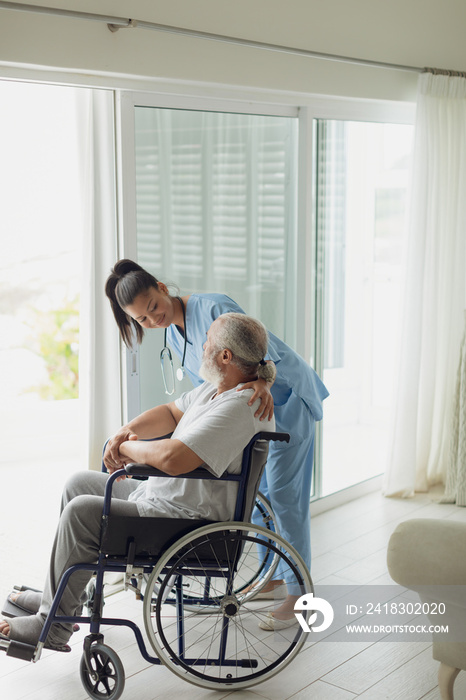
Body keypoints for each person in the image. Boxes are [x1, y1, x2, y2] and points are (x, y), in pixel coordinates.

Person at [0, 313, 276, 651]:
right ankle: (65, 599)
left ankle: (51, 625)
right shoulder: (216, 390)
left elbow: (174, 459)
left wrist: (127, 447)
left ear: (225, 356)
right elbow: (172, 412)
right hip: (162, 499)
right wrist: (123, 432)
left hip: (185, 521)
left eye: (208, 341)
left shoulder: (240, 405)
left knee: (82, 511)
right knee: (79, 484)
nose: (202, 345)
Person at [104, 259, 329, 628]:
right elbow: (206, 390)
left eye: (153, 307)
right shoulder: (175, 334)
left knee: (287, 502)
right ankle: (271, 576)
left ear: (162, 287)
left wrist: (262, 381)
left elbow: (254, 346)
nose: (153, 319)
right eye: (142, 320)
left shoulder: (212, 308)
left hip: (282, 404)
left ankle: (300, 596)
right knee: (255, 497)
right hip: (249, 415)